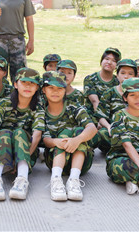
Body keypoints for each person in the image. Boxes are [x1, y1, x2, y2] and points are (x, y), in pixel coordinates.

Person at [0, 68, 44, 201]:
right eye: (24, 82)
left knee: (20, 132)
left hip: (26, 152)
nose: (28, 86)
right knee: (5, 133)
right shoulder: (5, 102)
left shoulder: (38, 106)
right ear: (15, 84)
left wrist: (20, 159)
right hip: (2, 149)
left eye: (32, 83)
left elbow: (37, 135)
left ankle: (22, 179)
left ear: (37, 88)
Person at [41, 71, 97, 201]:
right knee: (64, 133)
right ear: (44, 90)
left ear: (65, 89)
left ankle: (73, 180)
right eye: (51, 88)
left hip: (81, 164)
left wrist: (77, 140)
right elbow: (45, 139)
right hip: (53, 160)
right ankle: (56, 180)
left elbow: (92, 128)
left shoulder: (73, 107)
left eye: (60, 88)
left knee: (79, 130)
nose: (55, 91)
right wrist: (56, 142)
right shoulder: (41, 111)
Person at [95, 58, 138, 153]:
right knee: (101, 134)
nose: (126, 76)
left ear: (135, 76)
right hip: (114, 132)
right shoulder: (109, 93)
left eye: (130, 74)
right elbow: (101, 117)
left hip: (135, 131)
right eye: (122, 73)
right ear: (117, 75)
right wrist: (109, 127)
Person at [83, 47, 121, 114]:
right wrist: (102, 119)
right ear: (101, 60)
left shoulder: (118, 81)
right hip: (92, 116)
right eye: (107, 59)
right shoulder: (90, 79)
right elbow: (95, 102)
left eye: (114, 61)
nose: (109, 62)